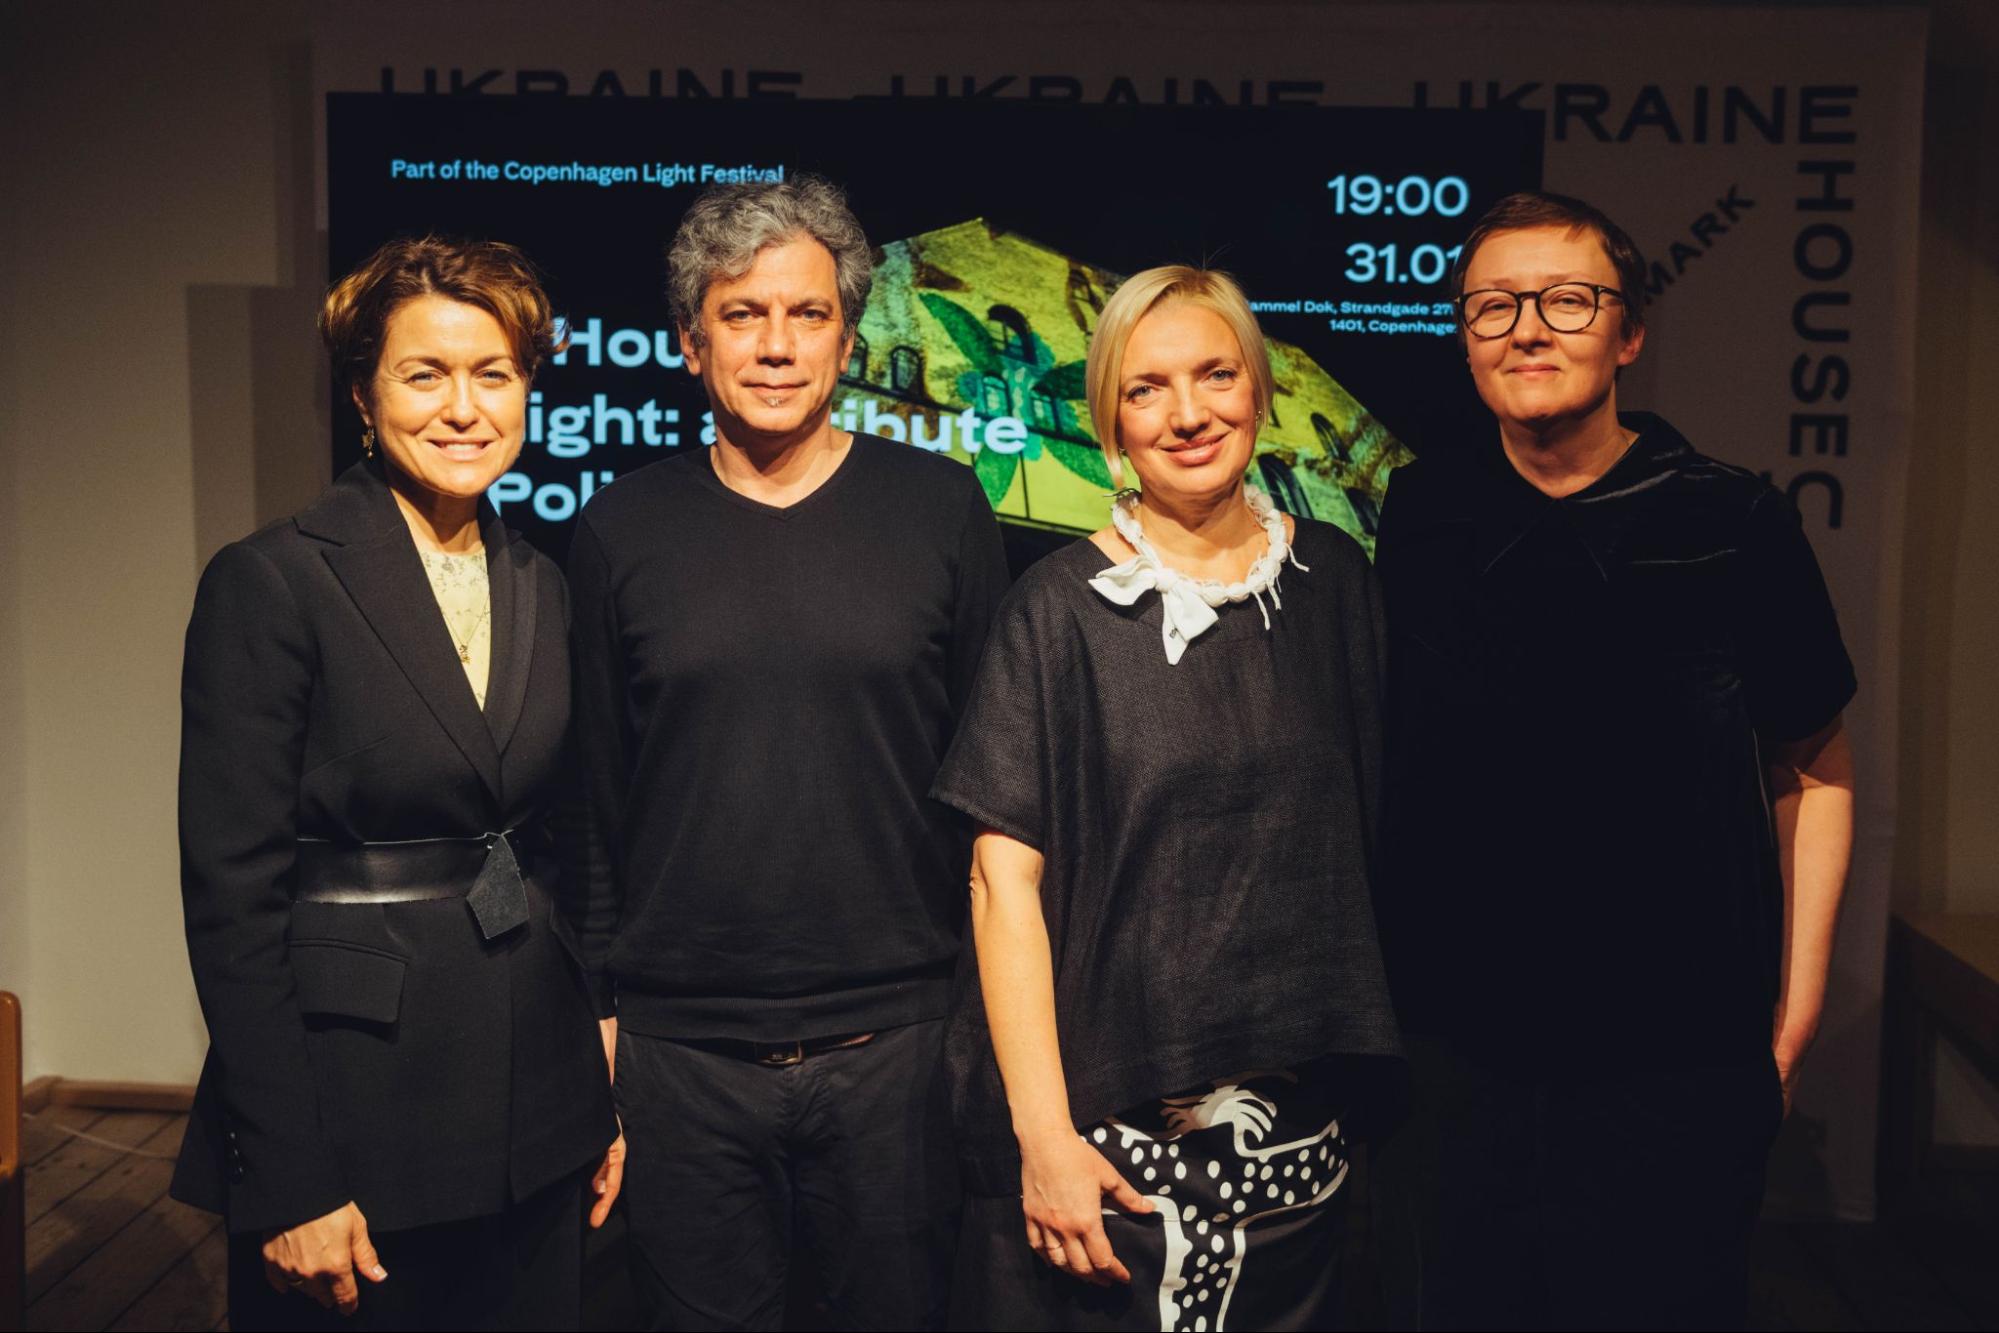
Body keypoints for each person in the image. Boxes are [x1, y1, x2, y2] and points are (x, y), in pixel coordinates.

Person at [1370, 191, 1857, 1330]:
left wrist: (1790, 1019)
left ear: (1628, 332)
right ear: (1463, 337)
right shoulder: (1419, 512)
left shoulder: (1732, 519)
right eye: (1493, 306)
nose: (1526, 329)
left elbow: (1815, 767)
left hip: (1675, 1055)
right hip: (1457, 1055)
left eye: (1565, 301)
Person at [564, 175, 1009, 1331]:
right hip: (680, 1060)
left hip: (898, 1050)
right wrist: (602, 1038)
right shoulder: (615, 531)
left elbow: (996, 797)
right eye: (743, 314)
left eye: (807, 314)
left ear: (847, 338)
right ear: (690, 342)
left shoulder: (942, 510)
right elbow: (594, 810)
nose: (776, 345)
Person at [934, 266, 1401, 1332]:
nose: (1187, 414)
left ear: (1261, 390)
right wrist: (1045, 1139)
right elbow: (1001, 889)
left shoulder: (1337, 583)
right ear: (1108, 420)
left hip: (1308, 1157)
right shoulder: (1057, 611)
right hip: (1114, 1161)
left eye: (1214, 375)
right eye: (1146, 389)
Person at [171, 236, 622, 1329]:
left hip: (540, 1111)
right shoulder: (271, 580)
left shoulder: (544, 580)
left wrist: (596, 1089)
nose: (464, 408)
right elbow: (232, 903)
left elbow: (568, 845)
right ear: (363, 397)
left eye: (494, 374)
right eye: (426, 374)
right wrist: (290, 1176)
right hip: (356, 1109)